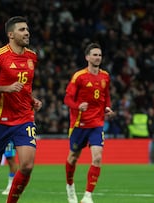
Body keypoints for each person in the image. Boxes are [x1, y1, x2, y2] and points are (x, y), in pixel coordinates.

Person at [0, 16, 42, 203]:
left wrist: (32, 99)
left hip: (24, 118)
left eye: (27, 29)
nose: (27, 32)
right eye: (22, 30)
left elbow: (25, 87)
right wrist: (5, 88)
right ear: (11, 34)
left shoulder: (32, 57)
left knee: (27, 166)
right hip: (0, 119)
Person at [63, 42, 114, 203]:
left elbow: (106, 96)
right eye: (94, 54)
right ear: (87, 57)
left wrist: (108, 108)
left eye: (99, 55)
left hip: (97, 124)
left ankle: (87, 196)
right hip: (79, 124)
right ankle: (70, 186)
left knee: (97, 158)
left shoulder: (105, 76)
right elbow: (67, 99)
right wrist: (78, 106)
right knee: (72, 158)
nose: (98, 57)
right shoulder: (79, 76)